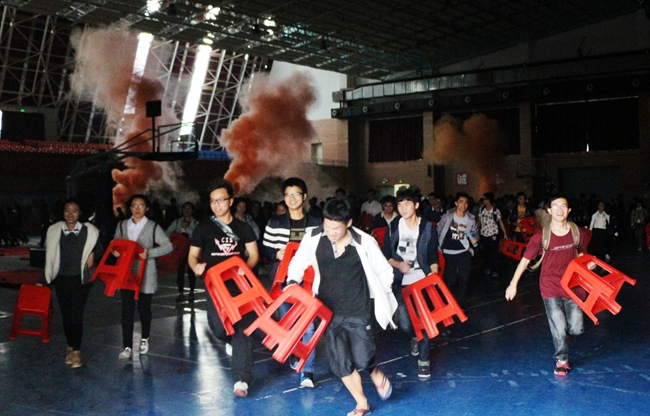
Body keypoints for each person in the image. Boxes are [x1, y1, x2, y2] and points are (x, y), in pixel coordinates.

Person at [287, 199, 397, 416]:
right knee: (340, 363)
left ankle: (373, 371)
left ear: (348, 223)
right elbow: (298, 262)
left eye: (336, 228)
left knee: (363, 358)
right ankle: (361, 403)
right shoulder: (313, 237)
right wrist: (292, 281)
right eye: (327, 226)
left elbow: (385, 272)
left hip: (358, 310)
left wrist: (378, 296)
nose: (331, 232)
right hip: (328, 312)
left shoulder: (364, 242)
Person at [188, 179, 259, 398]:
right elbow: (192, 255)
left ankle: (241, 380)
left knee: (242, 329)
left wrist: (246, 269)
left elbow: (254, 254)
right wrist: (196, 266)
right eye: (213, 201)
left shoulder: (243, 228)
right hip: (215, 287)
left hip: (240, 285)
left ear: (231, 201)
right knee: (219, 329)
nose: (217, 205)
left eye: (221, 200)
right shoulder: (203, 227)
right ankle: (229, 340)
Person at [505, 195, 588, 376]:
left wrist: (587, 265)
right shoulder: (541, 237)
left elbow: (582, 253)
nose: (560, 210)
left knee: (577, 328)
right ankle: (562, 361)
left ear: (569, 210)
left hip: (573, 285)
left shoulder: (577, 232)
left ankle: (568, 334)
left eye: (563, 206)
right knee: (557, 326)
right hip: (550, 285)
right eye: (555, 206)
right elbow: (525, 261)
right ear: (549, 211)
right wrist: (513, 284)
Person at [261, 177, 322, 387]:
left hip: (308, 282)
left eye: (296, 194)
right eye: (288, 195)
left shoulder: (316, 223)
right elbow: (265, 248)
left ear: (304, 197)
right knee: (287, 323)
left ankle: (308, 371)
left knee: (308, 325)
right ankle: (296, 352)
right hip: (282, 283)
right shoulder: (274, 223)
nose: (292, 198)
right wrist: (275, 254)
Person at [382, 187, 439, 379]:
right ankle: (414, 335)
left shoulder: (428, 227)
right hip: (400, 281)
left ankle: (424, 360)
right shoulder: (394, 226)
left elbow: (432, 256)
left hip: (422, 279)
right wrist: (399, 265)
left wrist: (434, 276)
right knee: (405, 323)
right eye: (400, 204)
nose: (403, 208)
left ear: (416, 205)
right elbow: (386, 254)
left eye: (407, 204)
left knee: (423, 319)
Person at [44, 199, 103, 368]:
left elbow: (100, 247)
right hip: (61, 279)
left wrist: (93, 253)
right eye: (67, 210)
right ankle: (70, 346)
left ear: (80, 213)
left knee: (76, 316)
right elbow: (49, 256)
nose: (70, 214)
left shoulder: (89, 230)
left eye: (74, 210)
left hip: (81, 280)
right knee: (66, 317)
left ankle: (76, 352)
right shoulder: (54, 230)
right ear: (63, 213)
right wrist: (44, 279)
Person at [113, 194, 173, 361]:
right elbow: (115, 243)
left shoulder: (153, 227)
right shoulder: (122, 225)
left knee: (144, 309)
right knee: (127, 310)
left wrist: (150, 253)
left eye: (141, 206)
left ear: (146, 208)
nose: (137, 209)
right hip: (126, 273)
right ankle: (127, 347)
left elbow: (168, 246)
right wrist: (114, 251)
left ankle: (145, 337)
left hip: (146, 273)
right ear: (130, 208)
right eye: (134, 205)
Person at [437, 192, 479, 306]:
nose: (463, 205)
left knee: (464, 278)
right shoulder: (447, 216)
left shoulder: (470, 218)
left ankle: (460, 303)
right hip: (448, 252)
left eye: (466, 202)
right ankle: (449, 300)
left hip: (463, 251)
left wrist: (475, 238)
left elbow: (475, 232)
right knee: (452, 279)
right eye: (461, 202)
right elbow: (438, 231)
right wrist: (438, 247)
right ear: (456, 203)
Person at [166, 201, 199, 302]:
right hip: (180, 250)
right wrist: (170, 245)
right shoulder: (176, 222)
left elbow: (197, 236)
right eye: (185, 208)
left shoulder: (196, 223)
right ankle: (181, 293)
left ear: (192, 211)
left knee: (191, 270)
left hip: (191, 249)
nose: (187, 210)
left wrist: (187, 228)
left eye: (189, 208)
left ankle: (191, 291)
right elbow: (167, 233)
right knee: (180, 271)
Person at [478, 192, 509, 278]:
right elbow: (479, 220)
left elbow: (500, 221)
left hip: (493, 234)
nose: (483, 200)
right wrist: (476, 230)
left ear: (489, 200)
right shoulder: (482, 208)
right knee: (486, 252)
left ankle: (494, 269)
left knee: (493, 252)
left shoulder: (495, 210)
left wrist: (505, 233)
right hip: (484, 233)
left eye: (485, 199)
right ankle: (487, 267)